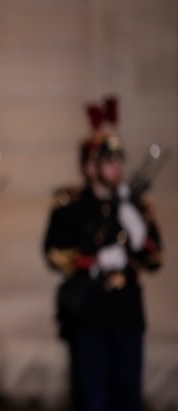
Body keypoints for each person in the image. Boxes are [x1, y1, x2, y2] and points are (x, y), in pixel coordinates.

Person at [42, 100, 163, 411]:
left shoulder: (135, 206)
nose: (116, 168)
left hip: (127, 312)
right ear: (89, 166)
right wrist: (95, 260)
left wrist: (137, 232)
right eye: (107, 161)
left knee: (128, 397)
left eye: (118, 160)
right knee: (91, 398)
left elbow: (155, 258)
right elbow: (54, 253)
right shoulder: (71, 206)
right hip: (89, 314)